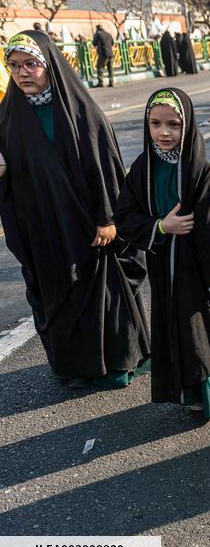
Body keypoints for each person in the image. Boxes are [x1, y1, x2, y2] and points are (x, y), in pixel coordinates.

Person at [0, 31, 151, 388]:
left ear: (49, 65)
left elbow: (106, 167)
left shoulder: (81, 110)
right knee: (56, 291)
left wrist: (109, 218)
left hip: (87, 224)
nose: (23, 72)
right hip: (40, 226)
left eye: (31, 64)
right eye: (14, 65)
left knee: (100, 290)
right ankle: (73, 367)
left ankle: (116, 364)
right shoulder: (8, 116)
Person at [115, 88, 210, 419]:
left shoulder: (199, 169)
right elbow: (125, 218)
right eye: (155, 123)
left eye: (173, 124)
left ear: (187, 125)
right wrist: (161, 226)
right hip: (164, 267)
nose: (164, 132)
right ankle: (194, 393)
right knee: (181, 331)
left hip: (200, 269)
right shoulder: (142, 167)